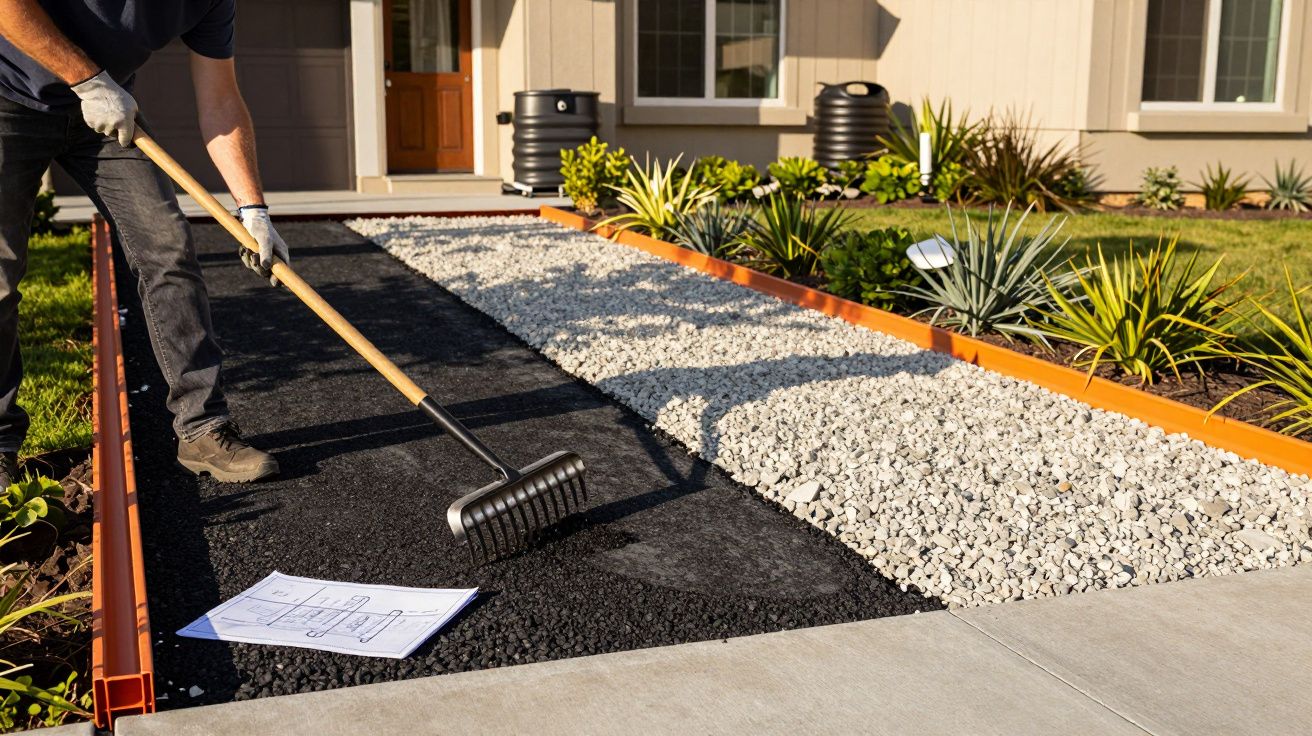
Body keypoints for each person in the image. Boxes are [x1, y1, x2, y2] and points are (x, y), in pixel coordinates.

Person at [0, 0, 285, 485]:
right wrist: (89, 80)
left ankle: (202, 429)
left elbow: (220, 100)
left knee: (169, 249)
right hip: (10, 96)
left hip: (105, 110)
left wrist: (253, 208)